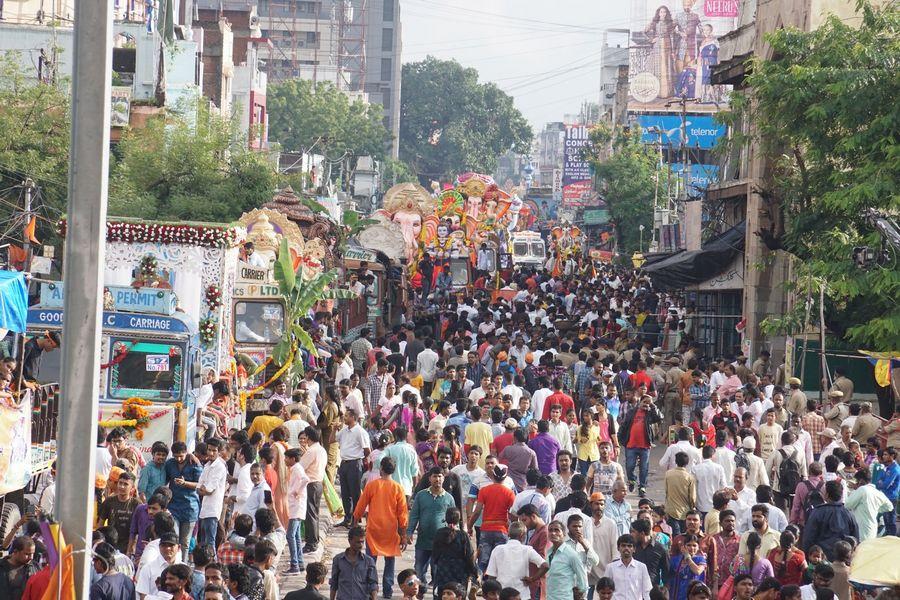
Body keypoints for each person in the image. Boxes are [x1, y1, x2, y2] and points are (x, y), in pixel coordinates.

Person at [352, 456, 408, 598]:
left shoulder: (372, 485)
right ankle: (387, 592)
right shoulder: (398, 488)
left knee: (370, 561)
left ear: (381, 469)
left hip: (373, 529)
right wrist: (403, 535)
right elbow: (402, 514)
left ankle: (371, 590)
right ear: (393, 470)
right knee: (390, 561)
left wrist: (355, 521)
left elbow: (360, 505)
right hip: (391, 531)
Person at [408, 467, 457, 587]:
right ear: (430, 478)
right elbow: (414, 515)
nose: (437, 479)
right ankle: (420, 592)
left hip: (441, 543)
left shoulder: (449, 498)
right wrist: (409, 532)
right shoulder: (421, 495)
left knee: (438, 572)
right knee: (419, 570)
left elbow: (454, 519)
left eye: (440, 476)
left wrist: (455, 535)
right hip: (423, 541)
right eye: (434, 476)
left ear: (443, 478)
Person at [468, 464, 517, 572]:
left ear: (493, 476)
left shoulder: (484, 490)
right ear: (505, 477)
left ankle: (480, 584)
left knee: (483, 561)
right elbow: (513, 515)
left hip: (486, 529)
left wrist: (469, 526)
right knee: (500, 562)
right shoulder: (509, 493)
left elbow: (477, 511)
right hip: (502, 530)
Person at [801, 481, 859, 561]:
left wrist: (808, 557)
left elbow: (808, 537)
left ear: (827, 495)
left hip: (821, 560)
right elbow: (855, 539)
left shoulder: (818, 512)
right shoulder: (849, 514)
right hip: (843, 560)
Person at [165, 441, 203, 562]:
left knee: (185, 542)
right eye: (176, 456)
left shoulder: (194, 464)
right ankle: (173, 563)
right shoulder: (170, 464)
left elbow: (200, 484)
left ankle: (183, 564)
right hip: (174, 506)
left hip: (190, 508)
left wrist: (185, 483)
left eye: (181, 456)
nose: (179, 459)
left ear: (186, 453)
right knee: (174, 538)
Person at [618, 394, 662, 496]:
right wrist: (620, 439)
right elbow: (624, 426)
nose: (646, 404)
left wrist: (652, 406)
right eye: (644, 402)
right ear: (640, 402)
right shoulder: (631, 412)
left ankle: (642, 487)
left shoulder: (650, 414)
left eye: (648, 403)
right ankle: (632, 480)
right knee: (629, 465)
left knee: (644, 467)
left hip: (645, 445)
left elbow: (659, 417)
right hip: (631, 444)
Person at [335, 409, 371, 527]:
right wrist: (334, 429)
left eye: (346, 416)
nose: (344, 418)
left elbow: (367, 449)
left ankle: (356, 518)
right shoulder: (344, 430)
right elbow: (332, 440)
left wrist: (361, 460)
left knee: (355, 493)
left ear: (353, 417)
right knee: (345, 493)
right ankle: (347, 518)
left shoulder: (360, 431)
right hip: (344, 463)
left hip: (354, 463)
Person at [328, 526, 378, 600]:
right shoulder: (338, 559)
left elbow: (373, 584)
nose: (361, 545)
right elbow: (334, 583)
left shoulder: (369, 561)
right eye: (358, 542)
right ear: (349, 541)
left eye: (362, 542)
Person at [299, 426, 328, 554]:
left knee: (310, 514)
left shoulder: (312, 451)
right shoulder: (321, 449)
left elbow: (300, 467)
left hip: (311, 484)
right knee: (314, 513)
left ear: (309, 438)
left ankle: (311, 542)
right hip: (318, 483)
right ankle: (313, 540)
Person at [845, 467, 892, 541]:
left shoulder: (862, 489)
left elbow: (847, 505)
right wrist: (876, 509)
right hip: (872, 529)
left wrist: (855, 490)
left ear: (861, 481)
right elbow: (889, 506)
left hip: (861, 531)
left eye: (857, 481)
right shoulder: (877, 492)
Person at [284, 448, 310, 574]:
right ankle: (299, 563)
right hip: (295, 506)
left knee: (290, 535)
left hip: (296, 506)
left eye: (287, 458)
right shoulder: (295, 469)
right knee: (296, 536)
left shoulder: (297, 469)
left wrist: (297, 491)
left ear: (292, 459)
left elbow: (306, 480)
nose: (285, 460)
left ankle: (294, 564)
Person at [606, 533, 653, 600]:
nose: (626, 548)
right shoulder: (610, 568)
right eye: (623, 545)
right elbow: (605, 590)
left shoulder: (641, 567)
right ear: (618, 548)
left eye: (629, 546)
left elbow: (647, 591)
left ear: (634, 549)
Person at [664, 452, 697, 535]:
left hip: (671, 510)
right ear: (687, 463)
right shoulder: (689, 477)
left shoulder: (668, 474)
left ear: (675, 461)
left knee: (674, 536)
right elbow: (692, 497)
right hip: (685, 512)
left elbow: (666, 491)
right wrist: (693, 508)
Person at [668, 534, 707, 600]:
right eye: (689, 545)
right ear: (684, 547)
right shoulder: (675, 560)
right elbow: (669, 577)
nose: (692, 548)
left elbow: (697, 571)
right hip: (676, 594)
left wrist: (687, 557)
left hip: (694, 594)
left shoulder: (700, 559)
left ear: (698, 547)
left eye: (694, 545)